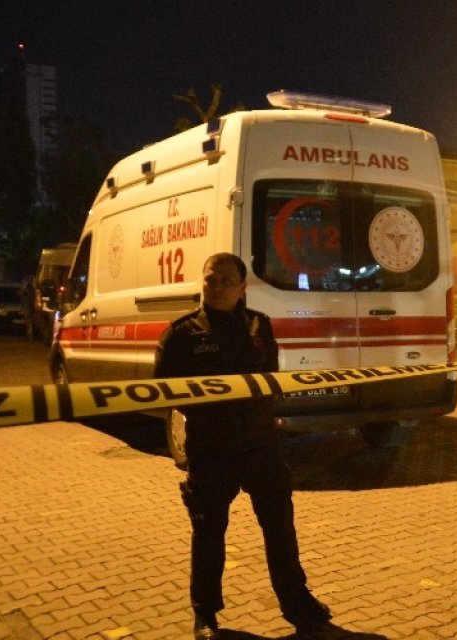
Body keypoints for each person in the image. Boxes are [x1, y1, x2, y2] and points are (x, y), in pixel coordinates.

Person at [154, 253, 332, 639]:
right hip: (211, 449)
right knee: (209, 533)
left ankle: (297, 602)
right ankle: (205, 614)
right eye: (210, 280)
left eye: (226, 281)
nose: (217, 288)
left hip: (260, 447)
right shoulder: (182, 334)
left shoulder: (258, 326)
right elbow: (164, 391)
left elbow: (270, 379)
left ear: (241, 287)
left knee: (280, 527)